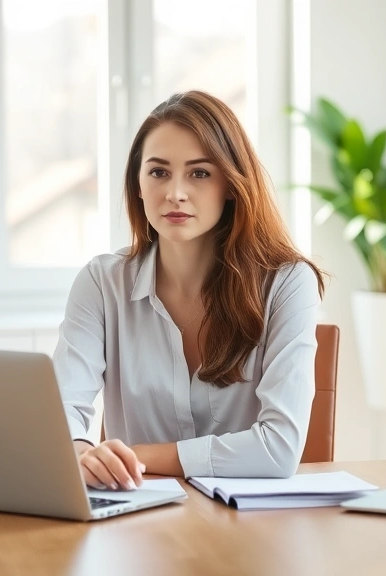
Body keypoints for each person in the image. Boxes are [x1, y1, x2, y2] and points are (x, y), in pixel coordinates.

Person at [52, 90, 325, 492]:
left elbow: (278, 450)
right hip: (138, 523)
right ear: (138, 185)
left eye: (199, 173)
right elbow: (61, 412)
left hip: (252, 533)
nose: (175, 193)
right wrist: (78, 451)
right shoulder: (101, 283)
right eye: (158, 172)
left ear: (231, 185)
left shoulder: (287, 283)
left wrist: (132, 456)